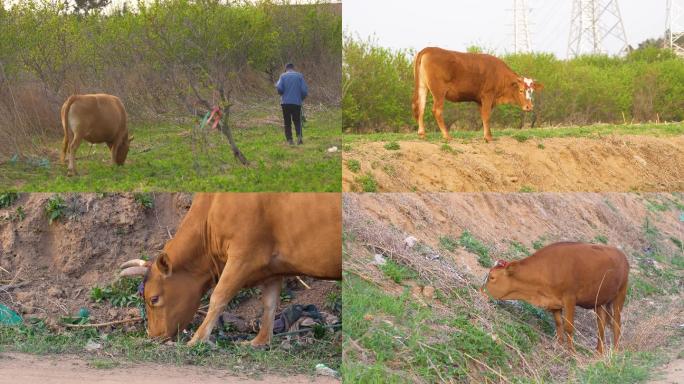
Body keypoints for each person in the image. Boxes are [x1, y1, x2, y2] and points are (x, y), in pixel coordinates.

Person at [276, 63, 308, 145]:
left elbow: (279, 87)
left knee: (287, 121)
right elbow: (304, 90)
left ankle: (290, 140)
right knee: (297, 120)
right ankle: (299, 137)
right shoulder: (299, 76)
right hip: (296, 102)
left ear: (286, 68)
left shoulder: (282, 76)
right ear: (293, 68)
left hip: (285, 103)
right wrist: (301, 98)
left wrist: (281, 93)